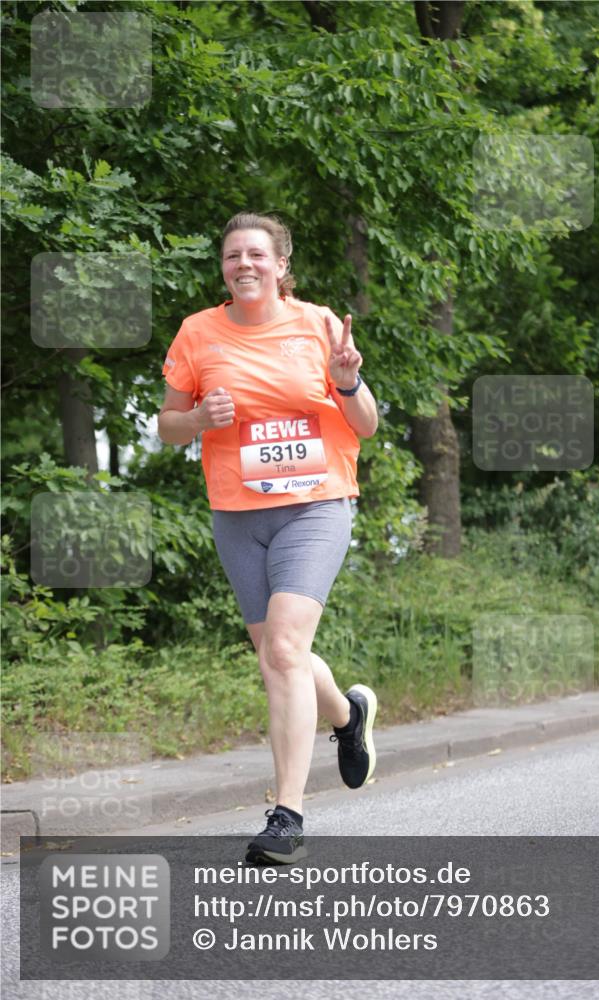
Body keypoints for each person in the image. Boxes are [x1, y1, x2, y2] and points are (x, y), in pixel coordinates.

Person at [158, 212, 379, 864]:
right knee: (279, 656)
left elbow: (363, 425)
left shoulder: (317, 325)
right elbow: (168, 424)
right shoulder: (198, 332)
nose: (244, 264)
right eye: (233, 256)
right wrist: (197, 416)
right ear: (223, 268)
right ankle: (347, 715)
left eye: (257, 254)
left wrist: (346, 382)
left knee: (282, 648)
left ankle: (287, 815)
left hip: (314, 507)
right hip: (236, 515)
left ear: (281, 265)